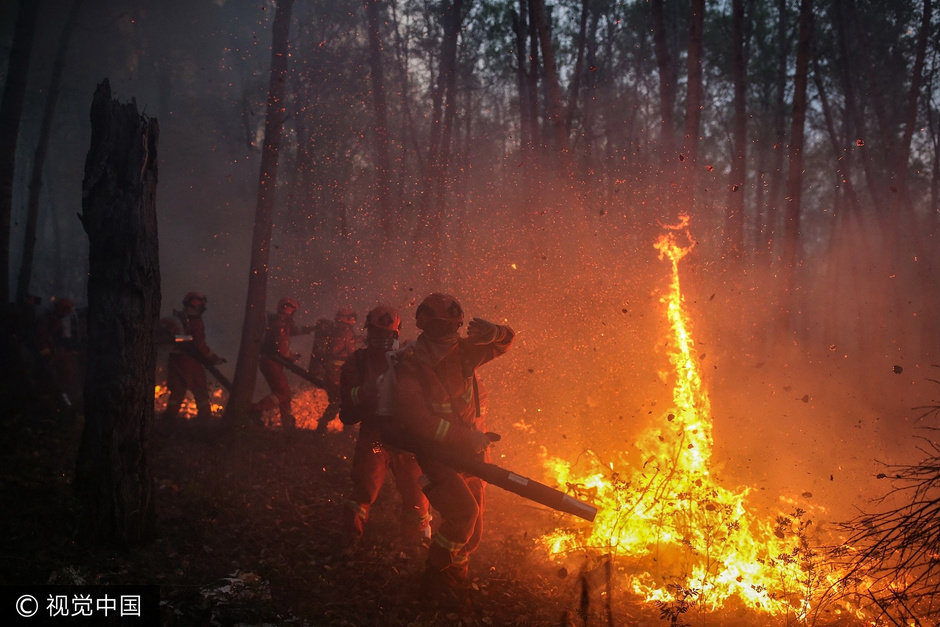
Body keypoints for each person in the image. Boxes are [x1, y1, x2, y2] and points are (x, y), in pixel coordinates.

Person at [388, 293, 513, 600]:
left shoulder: (465, 351)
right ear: (424, 325)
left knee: (474, 527)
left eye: (451, 326)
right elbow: (418, 420)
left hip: (471, 451)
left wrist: (495, 332)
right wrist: (462, 438)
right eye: (441, 326)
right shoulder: (411, 363)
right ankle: (432, 579)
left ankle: (453, 582)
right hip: (437, 454)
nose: (448, 333)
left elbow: (506, 342)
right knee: (463, 515)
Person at [339, 304, 431, 553]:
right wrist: (368, 391)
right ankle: (349, 544)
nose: (381, 340)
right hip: (375, 438)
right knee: (365, 490)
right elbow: (347, 407)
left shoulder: (408, 357)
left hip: (406, 441)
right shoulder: (357, 362)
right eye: (376, 334)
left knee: (417, 497)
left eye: (387, 335)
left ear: (396, 334)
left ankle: (414, 547)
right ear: (368, 333)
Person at [163, 292, 224, 427]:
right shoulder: (195, 322)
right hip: (190, 361)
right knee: (200, 391)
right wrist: (214, 359)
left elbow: (183, 340)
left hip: (174, 360)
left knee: (177, 392)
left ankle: (167, 420)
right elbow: (200, 346)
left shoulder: (179, 318)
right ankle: (205, 422)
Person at [251, 297, 312, 430]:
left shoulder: (276, 322)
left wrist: (309, 329)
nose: (292, 312)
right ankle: (256, 410)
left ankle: (287, 425)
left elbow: (292, 332)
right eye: (292, 309)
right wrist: (291, 356)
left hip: (270, 361)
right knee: (283, 392)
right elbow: (282, 349)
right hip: (272, 362)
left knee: (284, 394)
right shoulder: (282, 324)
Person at [310, 307, 360, 432]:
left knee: (342, 400)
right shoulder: (343, 333)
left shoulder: (340, 332)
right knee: (340, 400)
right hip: (336, 373)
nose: (353, 320)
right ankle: (326, 428)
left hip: (338, 372)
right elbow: (345, 351)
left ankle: (336, 428)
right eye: (350, 317)